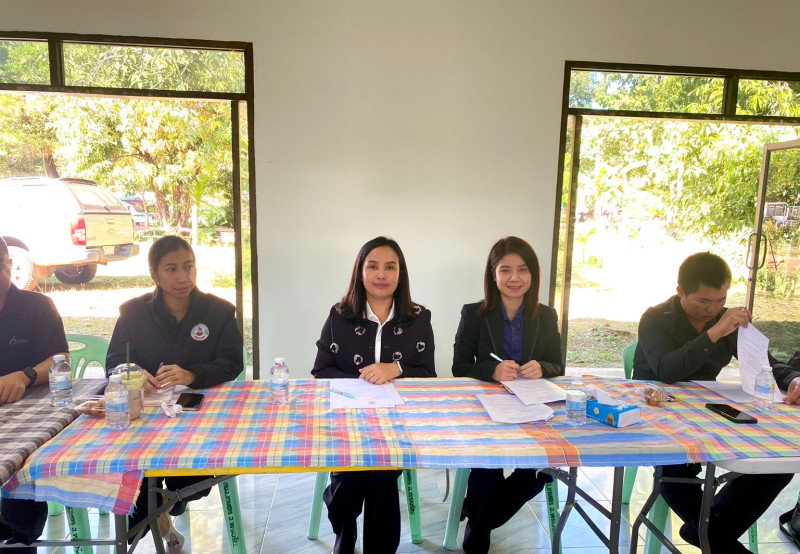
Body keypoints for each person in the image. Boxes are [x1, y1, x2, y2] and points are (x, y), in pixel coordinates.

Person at [633, 252, 794, 553]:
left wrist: (794, 378)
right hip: (657, 410)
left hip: (708, 410)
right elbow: (667, 372)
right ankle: (711, 535)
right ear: (681, 291)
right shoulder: (656, 318)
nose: (713, 309)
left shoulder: (726, 319)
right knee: (676, 469)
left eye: (721, 300)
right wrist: (715, 333)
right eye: (704, 301)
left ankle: (705, 532)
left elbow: (765, 364)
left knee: (777, 464)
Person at [106, 235, 243, 553]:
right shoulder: (133, 313)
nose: (183, 277)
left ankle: (167, 507)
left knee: (190, 481)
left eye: (189, 266)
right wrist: (132, 373)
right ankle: (157, 518)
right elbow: (114, 362)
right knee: (134, 475)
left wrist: (194, 374)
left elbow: (232, 362)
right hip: (148, 417)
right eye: (171, 269)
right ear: (154, 274)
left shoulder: (218, 311)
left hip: (201, 414)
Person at [312, 236, 435, 554]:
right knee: (349, 483)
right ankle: (345, 534)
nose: (381, 275)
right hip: (348, 422)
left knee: (381, 478)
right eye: (373, 266)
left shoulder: (419, 318)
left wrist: (397, 369)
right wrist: (363, 382)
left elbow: (428, 376)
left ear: (401, 273)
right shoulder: (339, 315)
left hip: (395, 425)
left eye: (390, 267)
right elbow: (321, 372)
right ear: (360, 271)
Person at [452, 236, 564, 554]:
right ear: (494, 274)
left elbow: (558, 364)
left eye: (522, 269)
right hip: (487, 408)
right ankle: (477, 536)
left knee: (542, 468)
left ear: (533, 274)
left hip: (533, 408)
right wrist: (492, 370)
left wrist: (542, 367)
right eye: (505, 270)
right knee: (487, 466)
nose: (514, 278)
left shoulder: (546, 316)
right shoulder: (474, 313)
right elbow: (459, 366)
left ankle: (478, 516)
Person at [0, 236, 69, 553]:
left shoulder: (37, 306)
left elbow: (61, 360)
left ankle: (19, 536)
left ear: (9, 266)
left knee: (25, 464)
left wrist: (25, 375)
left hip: (33, 414)